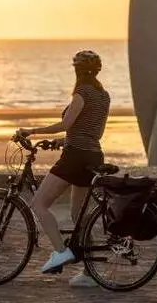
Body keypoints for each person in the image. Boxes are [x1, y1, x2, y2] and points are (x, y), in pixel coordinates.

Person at [17, 50, 110, 288]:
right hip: (93, 156)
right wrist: (60, 142)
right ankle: (89, 274)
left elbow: (67, 124)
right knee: (79, 216)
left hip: (75, 157)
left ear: (77, 71)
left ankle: (60, 252)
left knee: (38, 204)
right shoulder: (104, 96)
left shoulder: (82, 93)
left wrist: (32, 131)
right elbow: (93, 132)